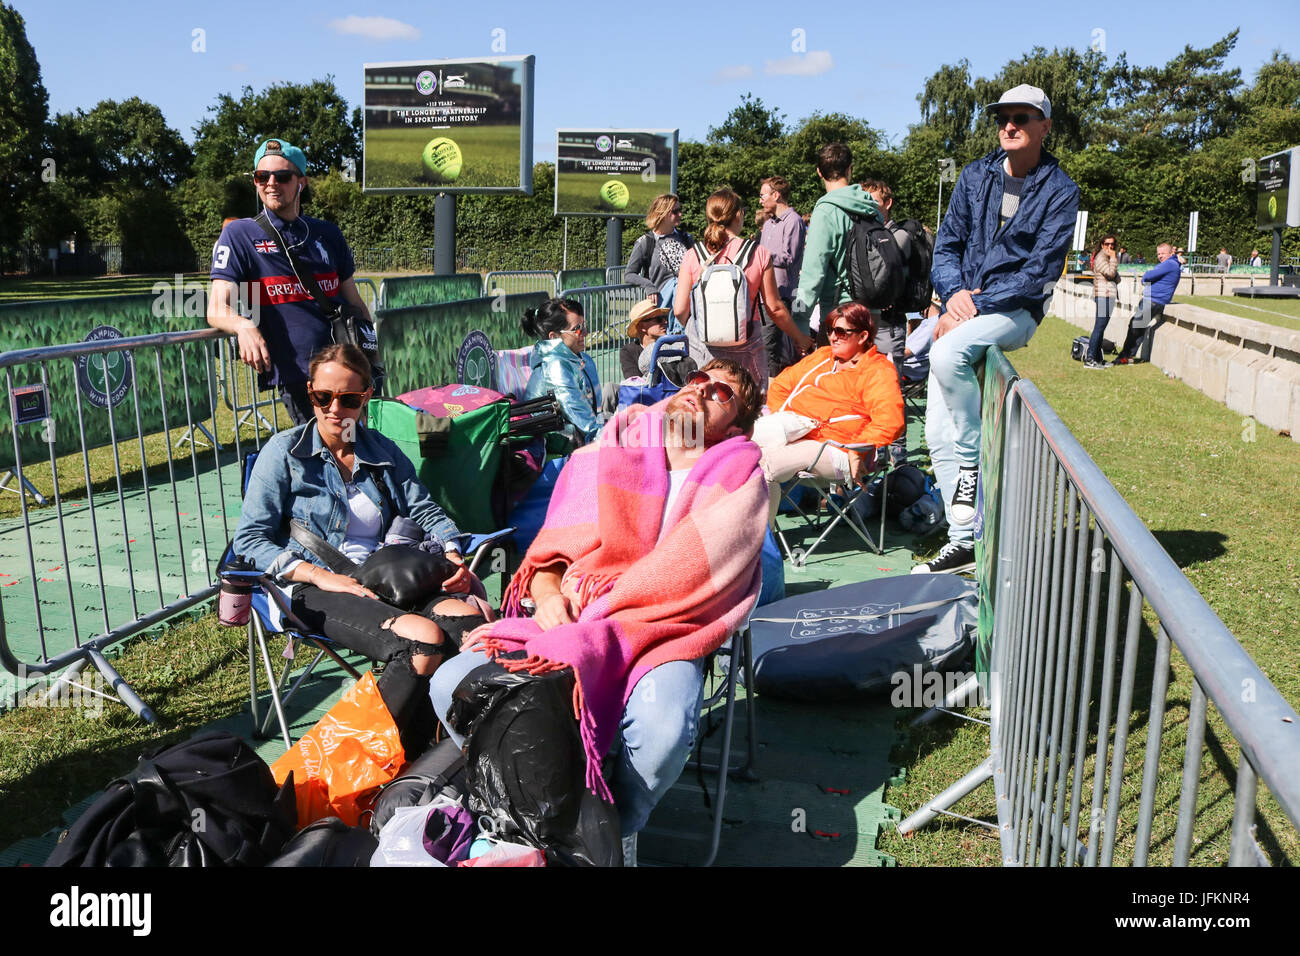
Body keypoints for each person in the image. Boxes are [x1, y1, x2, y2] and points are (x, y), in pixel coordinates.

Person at [428, 359, 768, 862]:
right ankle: (555, 806)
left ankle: (617, 824)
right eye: (698, 378)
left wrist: (604, 612)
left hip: (663, 631)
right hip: (569, 619)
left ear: (737, 424)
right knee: (448, 684)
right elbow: (549, 560)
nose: (701, 390)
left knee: (663, 731)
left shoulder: (741, 482)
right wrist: (547, 598)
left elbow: (695, 584)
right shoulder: (607, 452)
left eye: (722, 393)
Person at [232, 344, 487, 755]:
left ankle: (434, 755)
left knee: (470, 625)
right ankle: (355, 768)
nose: (335, 410)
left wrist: (453, 555)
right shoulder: (283, 453)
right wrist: (318, 575)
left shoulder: (382, 451)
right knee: (422, 640)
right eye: (323, 397)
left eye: (349, 399)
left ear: (366, 396)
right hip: (311, 584)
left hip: (384, 577)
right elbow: (249, 541)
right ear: (309, 392)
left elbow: (425, 511)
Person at [917, 83, 1079, 575]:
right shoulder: (974, 175)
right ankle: (965, 539)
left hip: (1016, 312)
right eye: (1003, 117)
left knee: (946, 357)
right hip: (961, 309)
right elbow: (945, 248)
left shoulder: (1061, 190)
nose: (1010, 125)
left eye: (1023, 117)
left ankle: (972, 465)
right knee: (935, 433)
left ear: (1044, 127)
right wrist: (952, 297)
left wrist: (973, 303)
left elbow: (1042, 271)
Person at [207, 138, 373, 425]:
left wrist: (373, 360)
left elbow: (354, 303)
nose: (271, 183)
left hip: (346, 369)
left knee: (355, 449)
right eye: (262, 176)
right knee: (324, 456)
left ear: (301, 182)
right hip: (300, 376)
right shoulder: (239, 234)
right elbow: (216, 308)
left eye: (282, 176)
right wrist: (243, 325)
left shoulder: (327, 233)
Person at [755, 302, 903, 520]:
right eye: (830, 330)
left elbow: (889, 422)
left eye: (841, 331)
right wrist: (786, 421)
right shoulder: (824, 356)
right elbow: (782, 385)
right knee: (738, 452)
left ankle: (762, 547)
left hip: (840, 448)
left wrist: (856, 449)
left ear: (862, 337)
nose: (833, 337)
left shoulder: (878, 371)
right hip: (797, 432)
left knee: (763, 469)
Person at [674, 188, 813, 393]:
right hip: (747, 348)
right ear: (738, 215)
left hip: (704, 351)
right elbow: (774, 308)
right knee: (748, 407)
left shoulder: (693, 255)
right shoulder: (758, 253)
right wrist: (800, 338)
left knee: (706, 406)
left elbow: (679, 310)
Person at [791, 143, 881, 344]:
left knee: (835, 375)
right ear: (850, 168)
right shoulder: (872, 208)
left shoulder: (825, 211)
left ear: (819, 172)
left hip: (839, 316)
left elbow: (812, 275)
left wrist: (800, 322)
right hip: (872, 312)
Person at [521, 297, 603, 446]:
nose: (585, 332)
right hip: (553, 447)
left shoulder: (583, 359)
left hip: (575, 437)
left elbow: (594, 413)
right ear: (554, 337)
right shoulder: (555, 366)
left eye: (584, 325)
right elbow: (582, 418)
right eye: (577, 329)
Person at [758, 176, 807, 376]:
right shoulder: (768, 223)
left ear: (776, 195)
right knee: (764, 345)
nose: (760, 200)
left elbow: (790, 257)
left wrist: (762, 255)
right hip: (762, 294)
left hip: (782, 295)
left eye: (763, 196)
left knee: (773, 347)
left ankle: (772, 395)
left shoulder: (794, 221)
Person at [1115, 242, 1181, 364]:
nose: (1160, 256)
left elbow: (1148, 276)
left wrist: (1146, 278)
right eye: (1158, 254)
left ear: (1171, 253)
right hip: (1154, 300)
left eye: (1163, 253)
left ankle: (1124, 356)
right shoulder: (1171, 264)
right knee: (1137, 326)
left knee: (1135, 327)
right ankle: (1128, 355)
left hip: (1153, 300)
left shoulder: (1169, 264)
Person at [624, 194, 693, 309]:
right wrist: (648, 285)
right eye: (675, 211)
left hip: (687, 306)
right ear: (662, 213)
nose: (680, 214)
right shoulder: (645, 242)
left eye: (680, 210)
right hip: (661, 307)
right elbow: (629, 274)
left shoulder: (686, 238)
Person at [1085, 234, 1120, 369]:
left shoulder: (1106, 258)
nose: (1110, 247)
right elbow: (1112, 274)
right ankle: (1090, 359)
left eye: (1112, 244)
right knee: (1099, 327)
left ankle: (1098, 358)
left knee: (1102, 327)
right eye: (1107, 244)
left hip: (1108, 295)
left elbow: (1117, 278)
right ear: (1102, 245)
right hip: (1103, 295)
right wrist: (1113, 258)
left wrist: (1112, 265)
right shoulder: (1101, 257)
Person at [620, 298, 671, 380]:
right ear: (641, 326)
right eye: (658, 319)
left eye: (664, 317)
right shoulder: (628, 351)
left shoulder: (672, 345)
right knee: (610, 388)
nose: (665, 322)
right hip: (644, 392)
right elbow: (634, 382)